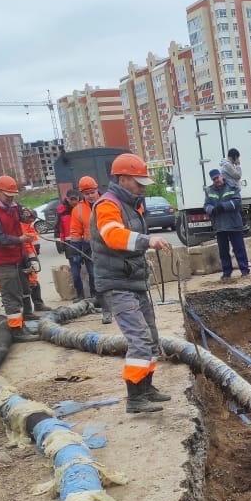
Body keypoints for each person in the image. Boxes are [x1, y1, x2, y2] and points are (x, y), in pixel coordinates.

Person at [90, 152, 173, 413]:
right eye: (138, 183)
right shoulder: (107, 205)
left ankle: (146, 387)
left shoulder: (132, 203)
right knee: (138, 338)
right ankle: (134, 398)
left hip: (133, 280)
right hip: (116, 283)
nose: (141, 188)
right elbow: (113, 236)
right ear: (123, 178)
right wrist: (146, 241)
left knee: (149, 334)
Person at [0, 175, 38, 341]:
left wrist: (30, 215)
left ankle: (21, 325)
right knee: (11, 295)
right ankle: (16, 331)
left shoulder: (12, 206)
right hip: (2, 261)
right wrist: (19, 240)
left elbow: (25, 216)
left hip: (16, 258)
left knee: (21, 292)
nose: (11, 198)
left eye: (13, 195)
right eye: (8, 195)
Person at [70, 176, 110, 322]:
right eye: (87, 194)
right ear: (82, 194)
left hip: (110, 245)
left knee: (114, 276)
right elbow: (75, 232)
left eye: (92, 192)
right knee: (96, 277)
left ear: (97, 189)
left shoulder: (108, 202)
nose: (90, 196)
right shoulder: (78, 210)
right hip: (90, 248)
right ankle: (105, 309)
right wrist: (75, 251)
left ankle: (118, 305)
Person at [204, 168, 249, 281]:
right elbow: (206, 205)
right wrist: (211, 210)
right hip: (220, 226)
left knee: (239, 249)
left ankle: (244, 270)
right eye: (214, 179)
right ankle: (226, 273)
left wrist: (223, 206)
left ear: (221, 176)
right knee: (223, 251)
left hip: (233, 224)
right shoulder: (209, 191)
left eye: (217, 178)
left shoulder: (232, 186)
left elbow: (237, 202)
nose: (216, 180)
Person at [19, 207, 48, 314]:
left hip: (30, 255)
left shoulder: (28, 225)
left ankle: (38, 304)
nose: (31, 222)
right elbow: (25, 241)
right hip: (23, 256)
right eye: (30, 220)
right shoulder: (19, 225)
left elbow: (33, 238)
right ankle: (28, 310)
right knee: (26, 282)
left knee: (33, 279)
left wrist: (36, 248)